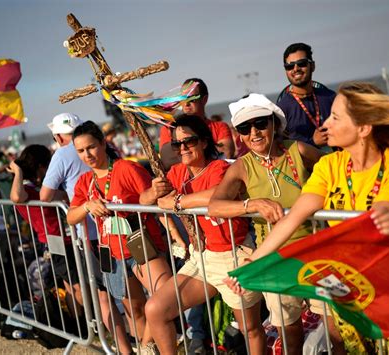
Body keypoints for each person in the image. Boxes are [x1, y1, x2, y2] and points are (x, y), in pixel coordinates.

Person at [224, 83, 389, 354]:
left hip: (388, 288)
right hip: (347, 288)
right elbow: (292, 218)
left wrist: (385, 212)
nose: (326, 125)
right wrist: (252, 262)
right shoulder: (328, 166)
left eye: (335, 117)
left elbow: (386, 205)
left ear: (363, 128)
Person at [140, 114, 266, 354]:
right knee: (155, 309)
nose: (183, 148)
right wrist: (152, 192)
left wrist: (177, 201)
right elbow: (144, 200)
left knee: (250, 329)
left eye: (190, 141)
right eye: (177, 144)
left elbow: (218, 195)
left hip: (235, 255)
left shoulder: (220, 167)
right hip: (204, 258)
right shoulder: (178, 173)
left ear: (205, 142)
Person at [208, 93, 322, 354]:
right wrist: (252, 204)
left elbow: (334, 169)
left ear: (274, 124)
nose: (254, 133)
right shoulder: (242, 166)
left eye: (260, 124)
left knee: (335, 328)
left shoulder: (298, 150)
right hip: (273, 256)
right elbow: (216, 206)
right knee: (290, 333)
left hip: (316, 250)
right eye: (245, 128)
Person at [67, 121, 171, 354]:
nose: (87, 155)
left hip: (140, 242)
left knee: (162, 296)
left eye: (91, 147)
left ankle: (146, 346)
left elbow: (146, 197)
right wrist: (87, 206)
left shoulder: (126, 168)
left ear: (104, 143)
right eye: (81, 151)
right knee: (134, 310)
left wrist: (154, 192)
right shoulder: (85, 182)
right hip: (111, 252)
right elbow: (71, 217)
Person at [41, 114, 133, 352]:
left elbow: (44, 196)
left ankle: (124, 349)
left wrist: (69, 198)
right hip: (118, 230)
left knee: (105, 295)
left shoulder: (62, 153)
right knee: (129, 294)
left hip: (92, 235)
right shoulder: (107, 147)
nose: (86, 153)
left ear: (59, 135)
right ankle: (140, 341)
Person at [7, 145, 82, 318]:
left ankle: (81, 326)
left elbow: (61, 196)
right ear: (41, 166)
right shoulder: (27, 189)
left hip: (57, 239)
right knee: (77, 285)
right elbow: (16, 197)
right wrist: (18, 172)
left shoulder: (34, 188)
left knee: (70, 284)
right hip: (58, 240)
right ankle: (85, 324)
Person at [159, 78, 235, 169]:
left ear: (204, 99)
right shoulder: (169, 128)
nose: (186, 104)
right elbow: (167, 160)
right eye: (182, 99)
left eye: (192, 99)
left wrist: (186, 153)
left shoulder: (220, 127)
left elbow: (227, 153)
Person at [276, 43, 336, 150]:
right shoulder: (281, 111)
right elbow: (282, 151)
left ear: (312, 66)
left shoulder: (331, 98)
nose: (296, 69)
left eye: (301, 63)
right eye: (290, 66)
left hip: (339, 164)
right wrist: (313, 142)